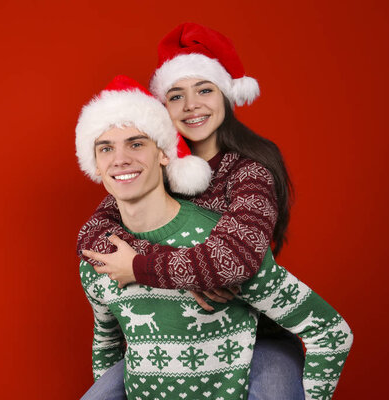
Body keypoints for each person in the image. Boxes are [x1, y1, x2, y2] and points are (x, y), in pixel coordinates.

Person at [76, 75, 352, 400]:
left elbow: (235, 260)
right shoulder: (145, 180)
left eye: (204, 90)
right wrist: (174, 270)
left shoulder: (250, 171)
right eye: (176, 96)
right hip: (168, 344)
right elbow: (96, 229)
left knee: (275, 388)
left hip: (258, 325)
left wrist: (147, 268)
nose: (191, 105)